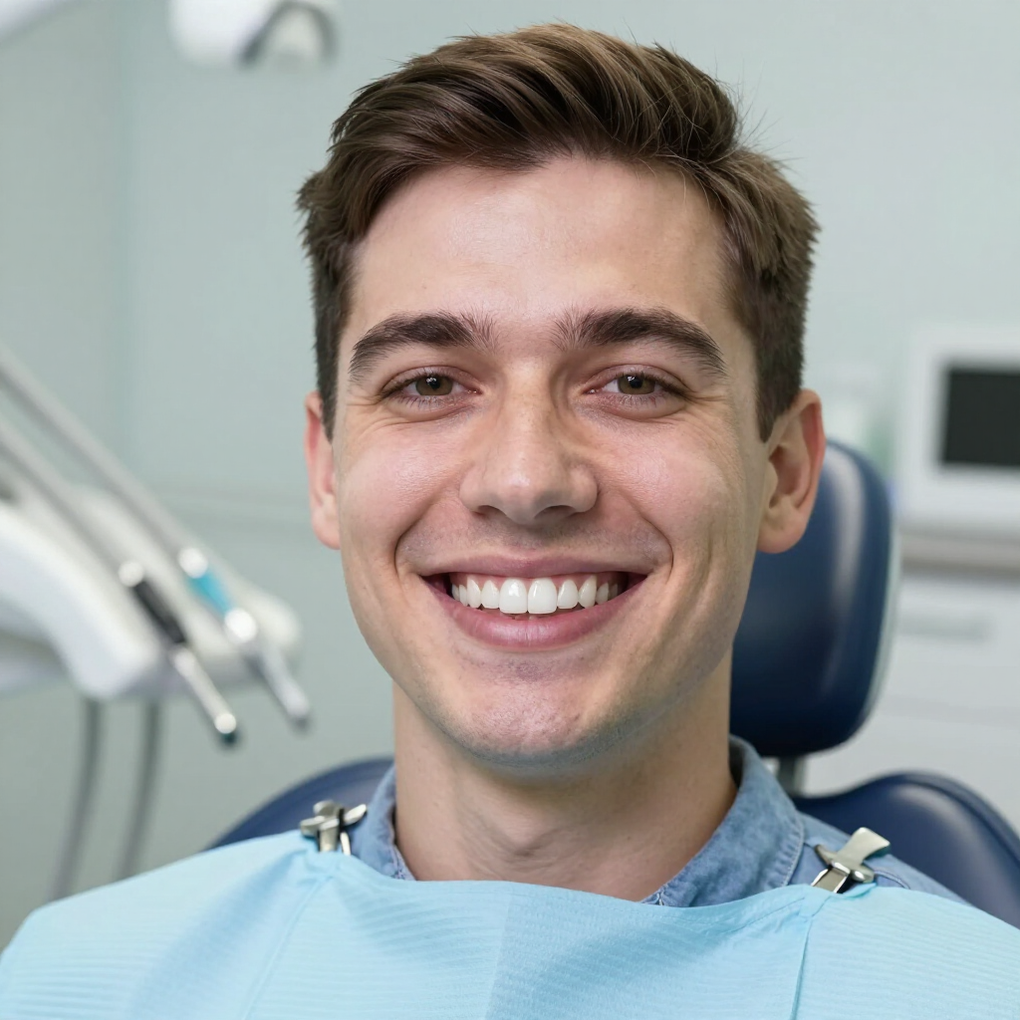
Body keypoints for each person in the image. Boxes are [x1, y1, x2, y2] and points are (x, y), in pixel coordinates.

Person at [1, 23, 1017, 1019]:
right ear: (326, 469)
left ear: (785, 472)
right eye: (431, 382)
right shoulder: (84, 979)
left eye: (633, 382)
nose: (526, 480)